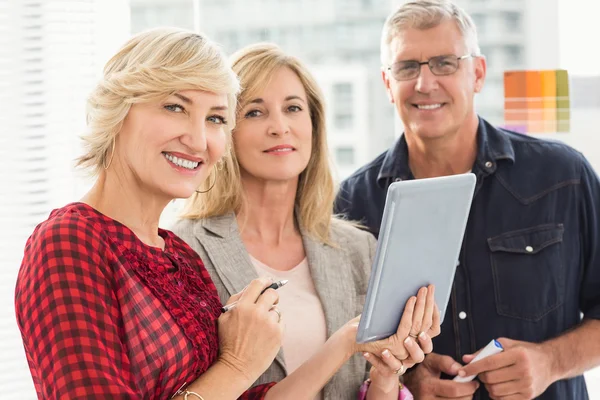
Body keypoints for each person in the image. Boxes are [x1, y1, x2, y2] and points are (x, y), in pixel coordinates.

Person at [334, 1, 600, 399]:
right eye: (407, 67)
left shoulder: (563, 176)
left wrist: (550, 362)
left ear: (477, 73)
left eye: (444, 63)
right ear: (388, 84)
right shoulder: (352, 205)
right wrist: (407, 380)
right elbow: (337, 349)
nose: (425, 83)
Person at [14, 27, 287, 400]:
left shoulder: (179, 255)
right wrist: (238, 364)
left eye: (216, 119)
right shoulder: (68, 242)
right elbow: (229, 379)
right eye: (175, 107)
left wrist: (350, 342)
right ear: (118, 111)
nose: (198, 139)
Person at [172, 43, 441, 400]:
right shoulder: (184, 250)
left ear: (314, 124)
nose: (279, 127)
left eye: (293, 108)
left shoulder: (359, 248)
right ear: (225, 130)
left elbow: (372, 388)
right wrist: (347, 341)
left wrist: (387, 374)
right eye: (254, 112)